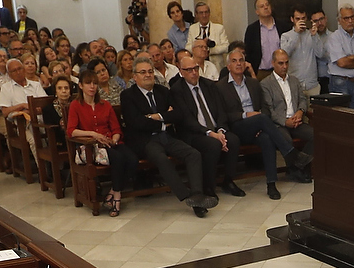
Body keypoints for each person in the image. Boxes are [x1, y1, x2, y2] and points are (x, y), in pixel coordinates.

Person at [122, 59, 211, 215]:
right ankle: (188, 197)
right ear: (134, 76)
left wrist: (155, 116)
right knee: (161, 159)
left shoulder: (163, 91)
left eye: (150, 71)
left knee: (193, 154)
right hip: (146, 141)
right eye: (143, 72)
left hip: (167, 137)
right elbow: (136, 122)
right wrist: (164, 121)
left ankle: (197, 193)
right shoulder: (128, 95)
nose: (148, 75)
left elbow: (178, 114)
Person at [220, 45, 305, 198]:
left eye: (241, 60)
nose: (239, 64)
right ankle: (290, 153)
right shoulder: (221, 86)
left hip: (258, 125)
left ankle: (271, 184)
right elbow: (224, 115)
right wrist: (247, 115)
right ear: (228, 66)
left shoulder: (253, 83)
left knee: (267, 138)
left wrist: (259, 120)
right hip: (237, 127)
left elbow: (264, 108)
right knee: (261, 118)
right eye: (234, 61)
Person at [170, 49, 239, 200]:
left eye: (195, 69)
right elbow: (187, 120)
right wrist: (211, 134)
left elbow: (221, 111)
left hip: (215, 129)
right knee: (212, 144)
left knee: (232, 140)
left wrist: (220, 131)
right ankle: (208, 185)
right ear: (181, 72)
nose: (194, 73)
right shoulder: (177, 90)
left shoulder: (209, 85)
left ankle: (228, 180)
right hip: (194, 133)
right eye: (189, 70)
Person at [67, 73, 139, 216]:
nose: (92, 87)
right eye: (88, 83)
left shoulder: (105, 105)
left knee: (132, 159)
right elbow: (71, 131)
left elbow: (116, 129)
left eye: (94, 83)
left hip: (110, 142)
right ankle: (117, 197)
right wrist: (93, 134)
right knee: (118, 158)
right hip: (91, 145)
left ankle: (112, 192)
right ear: (80, 85)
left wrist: (114, 139)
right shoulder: (76, 105)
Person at [261, 49, 314, 181]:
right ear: (273, 63)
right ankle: (297, 169)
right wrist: (285, 122)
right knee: (286, 140)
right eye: (280, 63)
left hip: (296, 120)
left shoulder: (294, 80)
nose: (284, 66)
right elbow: (269, 110)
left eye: (286, 63)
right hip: (279, 124)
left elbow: (302, 99)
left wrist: (300, 112)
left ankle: (299, 165)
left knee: (316, 134)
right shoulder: (266, 84)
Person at [325, 5, 354, 106]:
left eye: (352, 17)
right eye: (346, 18)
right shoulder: (334, 37)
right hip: (340, 83)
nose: (350, 21)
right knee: (342, 118)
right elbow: (342, 63)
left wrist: (353, 57)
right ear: (339, 20)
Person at [245, 0, 283, 76]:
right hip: (260, 72)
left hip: (280, 71)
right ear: (257, 12)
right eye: (262, 6)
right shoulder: (252, 29)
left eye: (267, 5)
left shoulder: (282, 26)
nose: (266, 7)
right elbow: (248, 53)